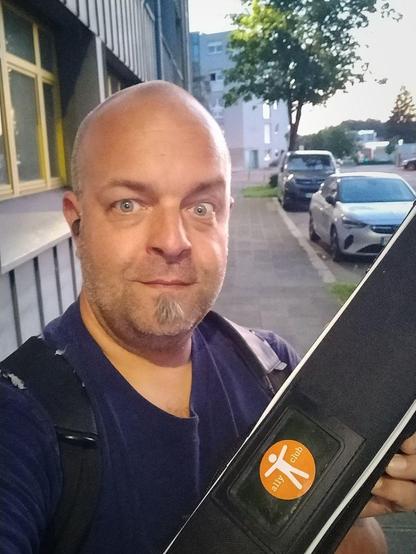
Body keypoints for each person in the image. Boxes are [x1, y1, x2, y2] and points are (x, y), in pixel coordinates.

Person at [1, 81, 415, 554]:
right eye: (129, 204)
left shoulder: (270, 368)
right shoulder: (21, 418)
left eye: (201, 207)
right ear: (78, 222)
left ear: (226, 218)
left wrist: (344, 505)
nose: (173, 241)